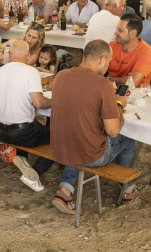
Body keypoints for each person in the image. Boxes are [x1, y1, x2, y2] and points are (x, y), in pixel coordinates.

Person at [49, 39, 138, 214]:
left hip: (60, 147)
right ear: (101, 59)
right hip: (91, 155)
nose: (108, 67)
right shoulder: (102, 84)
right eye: (109, 62)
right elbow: (113, 130)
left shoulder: (61, 76)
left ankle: (64, 190)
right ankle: (128, 189)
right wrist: (118, 104)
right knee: (129, 136)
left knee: (79, 137)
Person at [0, 39, 53, 192]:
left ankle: (23, 159)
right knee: (59, 138)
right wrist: (53, 100)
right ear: (28, 56)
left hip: (1, 131)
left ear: (9, 54)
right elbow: (39, 103)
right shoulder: (31, 72)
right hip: (23, 132)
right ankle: (35, 172)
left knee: (33, 125)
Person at [107, 15, 151, 87]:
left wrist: (110, 79)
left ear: (133, 34)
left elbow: (133, 81)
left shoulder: (146, 52)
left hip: (134, 95)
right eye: (117, 29)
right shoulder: (112, 45)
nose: (115, 33)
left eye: (120, 30)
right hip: (111, 91)